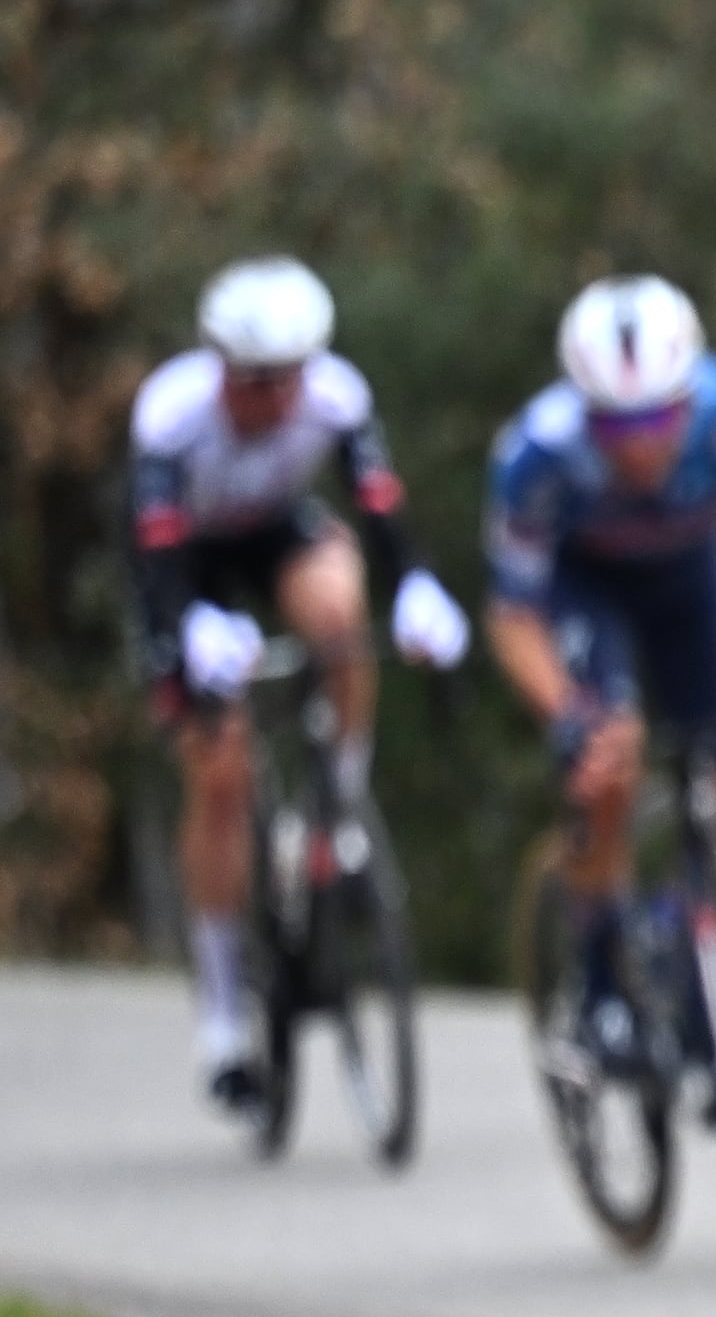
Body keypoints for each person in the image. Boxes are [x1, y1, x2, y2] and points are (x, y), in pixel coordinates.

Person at [482, 274, 716, 1069]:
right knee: (609, 764)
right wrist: (566, 715)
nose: (638, 443)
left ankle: (707, 1000)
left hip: (692, 583)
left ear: (689, 396)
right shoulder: (536, 454)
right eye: (614, 423)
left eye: (659, 416)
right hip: (588, 591)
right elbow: (514, 614)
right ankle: (595, 985)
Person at [127, 256, 469, 1105]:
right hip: (184, 563)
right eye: (255, 383)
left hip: (277, 533)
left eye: (289, 380)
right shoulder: (172, 415)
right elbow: (155, 549)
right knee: (221, 774)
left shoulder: (336, 397)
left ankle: (338, 803)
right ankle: (220, 1018)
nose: (275, 400)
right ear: (222, 370)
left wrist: (418, 587)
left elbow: (378, 507)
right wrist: (188, 631)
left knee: (341, 622)